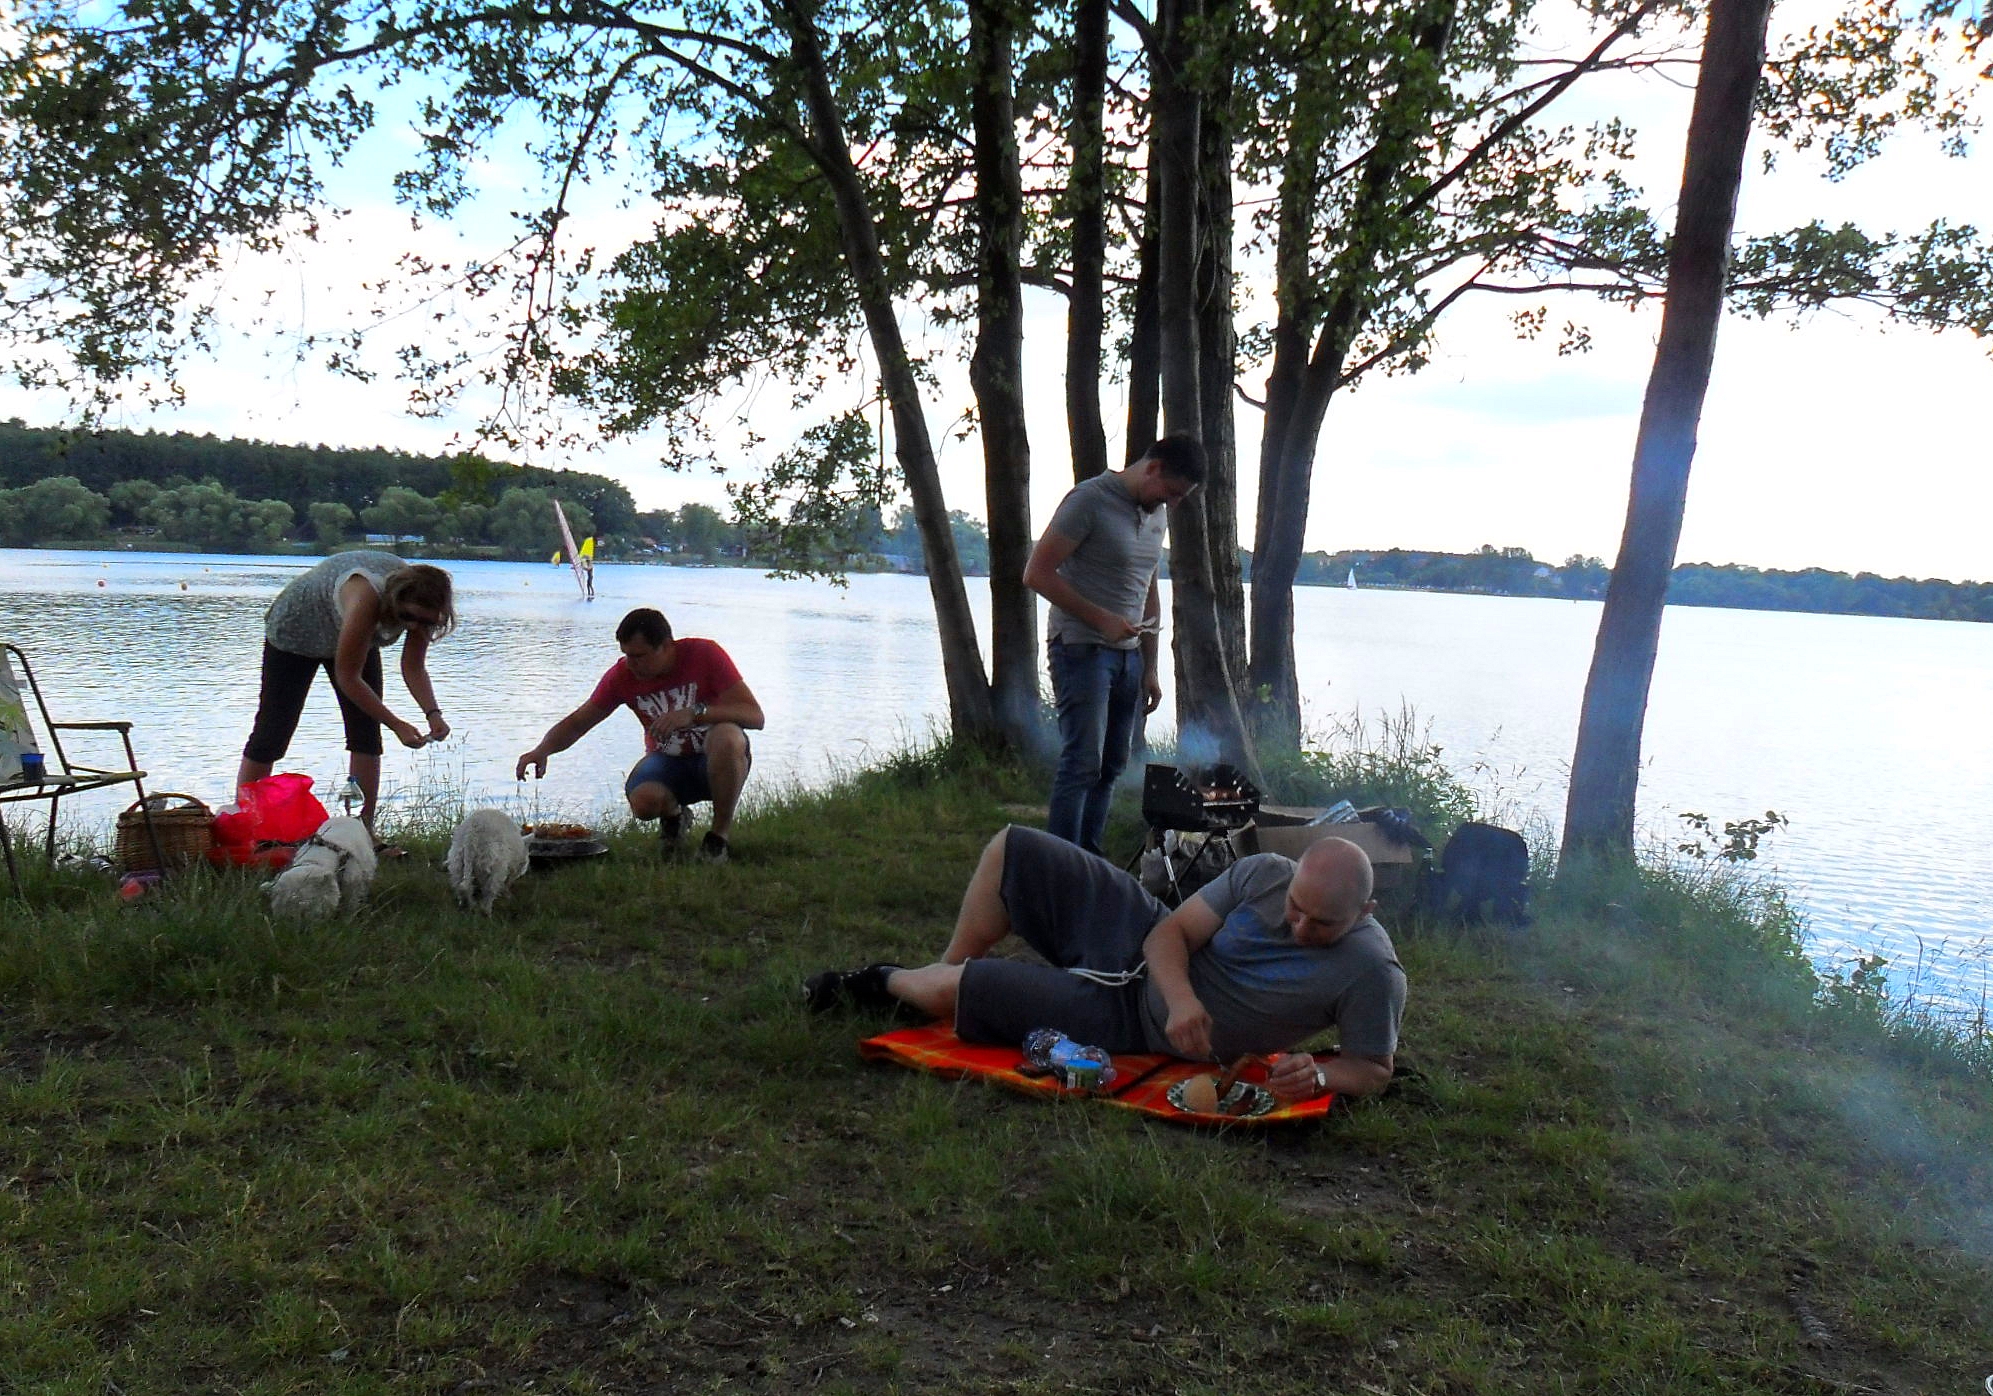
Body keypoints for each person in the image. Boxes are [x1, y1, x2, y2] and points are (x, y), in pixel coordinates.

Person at [805, 827, 1404, 1103]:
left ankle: (879, 981)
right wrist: (1185, 1000)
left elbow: (1373, 1067)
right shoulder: (1265, 873)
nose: (1299, 927)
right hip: (1143, 940)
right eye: (1296, 907)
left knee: (966, 990)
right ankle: (934, 983)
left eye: (1320, 924)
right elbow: (1171, 932)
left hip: (1132, 1021)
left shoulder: (1371, 971)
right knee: (1015, 850)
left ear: (1365, 913)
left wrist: (1319, 1077)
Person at [1022, 434, 1205, 854]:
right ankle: (1060, 864)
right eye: (1171, 492)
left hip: (1129, 659)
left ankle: (1089, 857)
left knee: (1111, 766)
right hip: (1080, 650)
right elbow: (1036, 573)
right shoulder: (1088, 500)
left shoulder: (1157, 514)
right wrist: (1101, 619)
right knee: (1082, 763)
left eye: (1180, 498)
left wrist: (1151, 667)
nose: (1173, 504)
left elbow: (1148, 588)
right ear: (1152, 468)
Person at [515, 607, 763, 862]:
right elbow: (579, 722)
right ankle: (674, 819)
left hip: (716, 760)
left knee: (728, 737)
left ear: (666, 646)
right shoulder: (622, 676)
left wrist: (694, 713)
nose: (631, 664)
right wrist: (542, 750)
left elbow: (755, 716)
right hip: (667, 759)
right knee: (644, 802)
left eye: (639, 656)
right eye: (626, 655)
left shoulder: (704, 654)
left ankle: (717, 839)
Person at [237, 551, 455, 834]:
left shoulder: (423, 603)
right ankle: (243, 827)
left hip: (350, 632)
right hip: (296, 631)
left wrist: (433, 714)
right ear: (396, 599)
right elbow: (348, 678)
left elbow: (413, 666)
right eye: (407, 617)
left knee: (366, 734)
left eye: (425, 622)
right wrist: (396, 724)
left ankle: (361, 833)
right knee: (272, 733)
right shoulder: (367, 597)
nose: (414, 626)